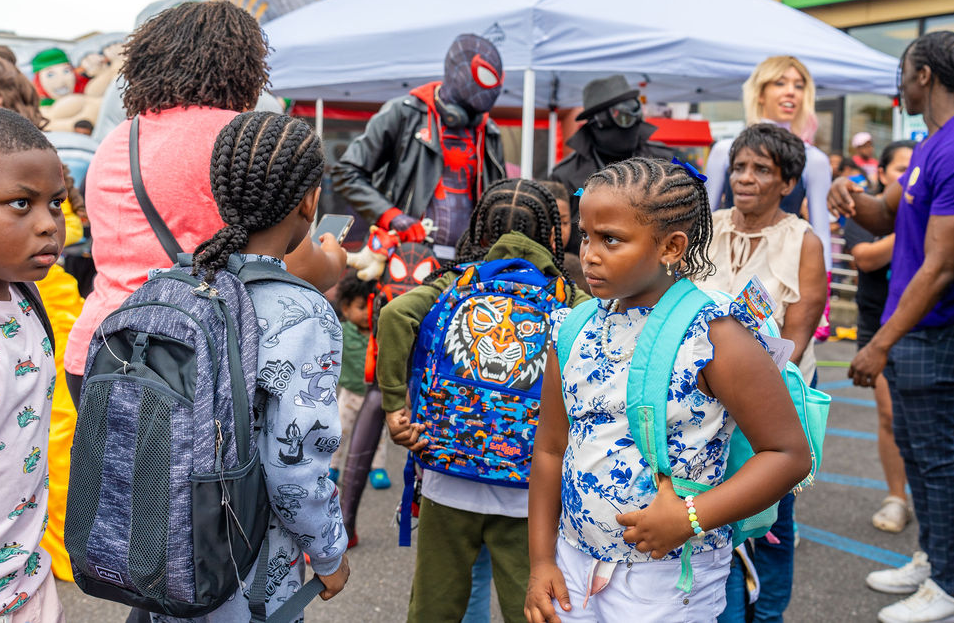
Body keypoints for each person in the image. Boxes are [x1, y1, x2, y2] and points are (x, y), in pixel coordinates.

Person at [524, 156, 811, 623]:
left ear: (671, 247)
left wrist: (689, 517)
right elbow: (551, 448)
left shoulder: (714, 335)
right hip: (573, 562)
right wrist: (541, 561)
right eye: (586, 235)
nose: (590, 254)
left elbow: (788, 454)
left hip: (668, 579)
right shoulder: (572, 327)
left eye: (611, 239)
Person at [63, 1, 347, 406]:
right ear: (246, 67)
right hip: (188, 363)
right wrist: (334, 258)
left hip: (101, 350)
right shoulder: (241, 142)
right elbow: (297, 267)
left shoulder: (119, 137)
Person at [150, 112, 350, 623]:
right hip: (247, 571)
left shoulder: (167, 287)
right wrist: (329, 552)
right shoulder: (303, 313)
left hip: (161, 552)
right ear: (309, 202)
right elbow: (293, 467)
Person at [828, 30, 954, 623]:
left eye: (903, 72)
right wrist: (850, 194)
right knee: (918, 454)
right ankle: (931, 561)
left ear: (924, 75)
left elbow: (941, 265)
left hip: (935, 330)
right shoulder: (929, 145)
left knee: (936, 458)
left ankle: (948, 588)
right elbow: (883, 213)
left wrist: (880, 342)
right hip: (912, 329)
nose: (899, 84)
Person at [379, 179, 585, 623]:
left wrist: (396, 407)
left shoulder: (454, 283)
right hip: (529, 489)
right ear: (553, 235)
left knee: (435, 607)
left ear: (480, 234)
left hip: (446, 475)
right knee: (529, 608)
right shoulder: (569, 297)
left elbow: (395, 314)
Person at [699, 124, 826, 623]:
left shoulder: (803, 241)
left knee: (772, 519)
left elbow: (796, 340)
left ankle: (768, 613)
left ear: (788, 182)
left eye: (761, 169)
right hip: (703, 399)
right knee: (712, 512)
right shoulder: (706, 228)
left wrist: (748, 400)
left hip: (775, 402)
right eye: (739, 167)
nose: (745, 178)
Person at [0, 107, 68, 621]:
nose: (47, 225)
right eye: (21, 203)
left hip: (28, 585)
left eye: (55, 203)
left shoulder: (26, 297)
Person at [331, 33, 506, 262]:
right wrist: (390, 216)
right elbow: (346, 172)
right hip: (406, 258)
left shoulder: (488, 132)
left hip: (467, 262)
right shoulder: (405, 113)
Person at [843, 140, 914, 533]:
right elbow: (865, 258)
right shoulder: (865, 209)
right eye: (901, 169)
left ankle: (925, 495)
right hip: (878, 327)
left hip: (925, 326)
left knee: (922, 420)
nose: (909, 176)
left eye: (915, 168)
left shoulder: (936, 207)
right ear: (882, 174)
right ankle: (897, 497)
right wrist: (913, 228)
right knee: (890, 415)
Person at [704, 56, 834, 271]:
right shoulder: (724, 150)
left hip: (784, 269)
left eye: (799, 86)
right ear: (760, 93)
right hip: (726, 264)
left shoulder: (814, 159)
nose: (791, 91)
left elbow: (821, 232)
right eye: (780, 83)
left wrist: (824, 282)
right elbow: (705, 217)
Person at [551, 75, 676, 254]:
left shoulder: (663, 162)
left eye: (635, 110)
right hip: (589, 265)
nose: (632, 122)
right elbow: (558, 234)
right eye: (622, 115)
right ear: (598, 121)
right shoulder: (566, 175)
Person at [329, 271, 390, 488]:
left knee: (379, 435)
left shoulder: (381, 333)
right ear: (345, 308)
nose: (367, 313)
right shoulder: (342, 331)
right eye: (361, 307)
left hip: (375, 396)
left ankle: (377, 468)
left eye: (371, 307)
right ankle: (332, 467)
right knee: (338, 432)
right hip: (349, 395)